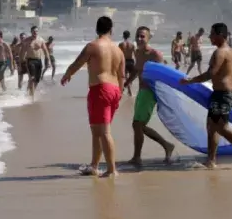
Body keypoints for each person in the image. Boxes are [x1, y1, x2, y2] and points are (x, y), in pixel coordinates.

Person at [180, 22, 232, 169]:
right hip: (223, 93)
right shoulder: (231, 51)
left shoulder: (219, 52)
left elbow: (211, 73)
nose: (210, 37)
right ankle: (211, 161)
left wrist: (190, 81)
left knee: (220, 127)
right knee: (211, 127)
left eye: (212, 34)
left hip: (222, 94)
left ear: (220, 35)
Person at [60, 16, 124, 177]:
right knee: (96, 130)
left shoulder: (93, 46)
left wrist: (67, 75)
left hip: (100, 90)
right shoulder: (118, 50)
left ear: (96, 29)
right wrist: (119, 93)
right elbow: (121, 75)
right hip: (115, 89)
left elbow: (77, 63)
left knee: (104, 132)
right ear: (111, 30)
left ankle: (111, 170)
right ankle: (94, 166)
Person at [124, 26, 175, 166]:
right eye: (138, 36)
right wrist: (127, 82)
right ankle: (164, 146)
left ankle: (139, 156)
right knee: (138, 125)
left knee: (137, 124)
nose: (140, 39)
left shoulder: (155, 54)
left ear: (149, 38)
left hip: (150, 92)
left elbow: (163, 75)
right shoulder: (137, 52)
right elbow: (136, 70)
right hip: (141, 92)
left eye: (142, 36)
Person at [19, 26, 51, 99]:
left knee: (37, 80)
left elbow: (45, 51)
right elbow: (22, 52)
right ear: (31, 32)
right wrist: (21, 63)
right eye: (33, 31)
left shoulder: (41, 40)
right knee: (32, 78)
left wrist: (48, 61)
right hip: (30, 60)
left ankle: (30, 92)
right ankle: (32, 97)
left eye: (36, 31)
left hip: (38, 60)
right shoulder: (27, 41)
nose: (35, 33)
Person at [118, 30, 135, 96]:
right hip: (131, 61)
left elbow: (118, 54)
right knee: (131, 77)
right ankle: (129, 89)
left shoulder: (121, 44)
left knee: (125, 76)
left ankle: (129, 90)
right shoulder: (132, 45)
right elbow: (135, 54)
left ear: (123, 36)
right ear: (129, 36)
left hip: (124, 61)